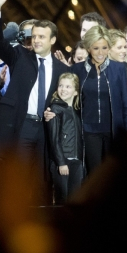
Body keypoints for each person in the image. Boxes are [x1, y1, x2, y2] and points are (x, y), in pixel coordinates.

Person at [0, 0, 70, 204]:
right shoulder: (19, 55)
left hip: (44, 129)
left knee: (39, 181)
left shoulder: (62, 69)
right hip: (21, 126)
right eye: (34, 36)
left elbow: (66, 100)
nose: (36, 40)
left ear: (52, 40)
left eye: (42, 37)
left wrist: (55, 111)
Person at [69, 25, 127, 174]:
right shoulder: (76, 70)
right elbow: (69, 101)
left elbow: (126, 105)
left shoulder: (118, 69)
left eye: (104, 48)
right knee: (95, 174)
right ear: (88, 47)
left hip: (113, 131)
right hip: (88, 132)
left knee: (112, 174)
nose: (100, 53)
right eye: (96, 48)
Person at [46, 73, 84, 204]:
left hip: (77, 161)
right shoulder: (55, 109)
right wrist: (61, 162)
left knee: (75, 199)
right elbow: (54, 139)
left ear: (75, 92)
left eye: (68, 86)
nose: (63, 89)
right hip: (62, 161)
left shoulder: (77, 111)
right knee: (62, 200)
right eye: (61, 85)